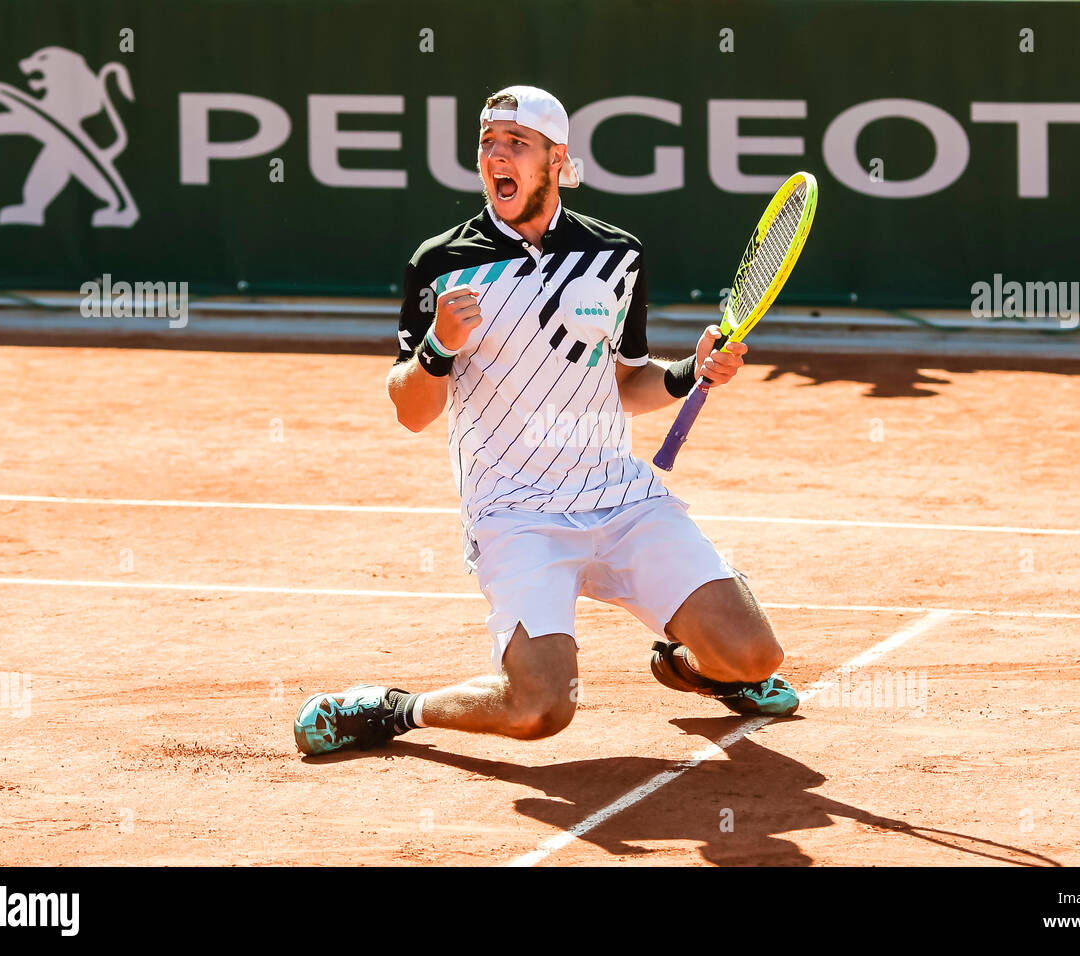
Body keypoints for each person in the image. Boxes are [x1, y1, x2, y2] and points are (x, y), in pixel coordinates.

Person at [295, 85, 798, 756]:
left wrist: (690, 372)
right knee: (539, 708)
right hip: (517, 512)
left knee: (756, 656)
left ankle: (695, 666)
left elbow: (626, 384)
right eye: (487, 143)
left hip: (619, 497)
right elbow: (411, 411)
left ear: (557, 160)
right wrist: (439, 344)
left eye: (516, 144)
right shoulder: (441, 264)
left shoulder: (619, 254)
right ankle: (396, 711)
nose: (496, 156)